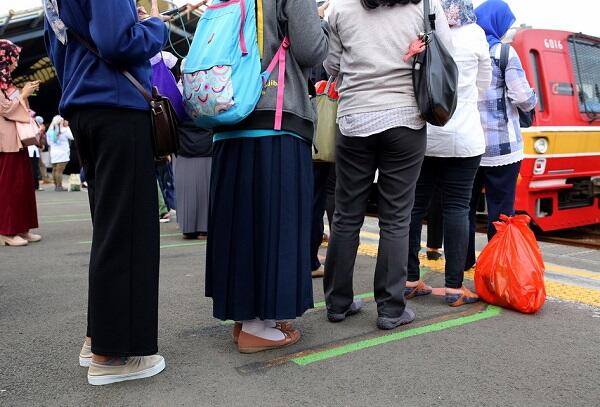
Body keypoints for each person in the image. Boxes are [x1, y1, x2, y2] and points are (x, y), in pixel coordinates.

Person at [44, 0, 169, 385]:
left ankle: (98, 336)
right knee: (129, 233)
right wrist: (157, 28)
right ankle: (112, 355)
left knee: (111, 230)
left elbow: (59, 51)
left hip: (86, 111)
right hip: (116, 108)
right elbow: (117, 41)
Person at [205, 0, 329, 353]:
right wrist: (325, 27)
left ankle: (247, 318)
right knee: (277, 222)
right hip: (274, 115)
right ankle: (259, 325)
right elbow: (309, 48)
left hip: (228, 114)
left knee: (241, 223)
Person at [323, 0, 452, 330]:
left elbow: (332, 67)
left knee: (346, 213)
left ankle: (338, 303)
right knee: (396, 217)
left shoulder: (339, 8)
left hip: (354, 119)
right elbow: (446, 52)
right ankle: (391, 309)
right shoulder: (425, 5)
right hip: (404, 119)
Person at [406, 0, 492, 307]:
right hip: (464, 135)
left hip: (424, 134)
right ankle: (455, 288)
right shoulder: (476, 35)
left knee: (414, 206)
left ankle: (410, 280)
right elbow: (484, 83)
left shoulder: (423, 32)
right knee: (457, 207)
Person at [465, 0, 537, 270]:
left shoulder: (467, 49)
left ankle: (462, 263)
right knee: (501, 210)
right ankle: (497, 267)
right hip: (503, 148)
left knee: (465, 208)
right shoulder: (504, 53)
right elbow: (522, 97)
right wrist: (533, 99)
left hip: (470, 143)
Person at [0, 39, 42, 247]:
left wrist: (25, 94)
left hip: (16, 140)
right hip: (5, 141)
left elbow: (14, 107)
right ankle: (6, 231)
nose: (16, 63)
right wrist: (23, 95)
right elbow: (6, 110)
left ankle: (22, 227)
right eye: (13, 58)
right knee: (8, 186)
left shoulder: (7, 83)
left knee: (22, 185)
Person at [174, 122, 212, 240]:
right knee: (206, 190)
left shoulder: (177, 103)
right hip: (208, 144)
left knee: (186, 192)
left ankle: (188, 227)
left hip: (183, 145)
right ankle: (205, 227)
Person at [46, 115, 73, 191]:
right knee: (59, 170)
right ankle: (59, 186)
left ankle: (56, 185)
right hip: (63, 153)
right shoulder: (64, 130)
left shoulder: (49, 131)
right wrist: (67, 127)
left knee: (54, 169)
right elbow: (72, 137)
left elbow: (48, 142)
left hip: (53, 152)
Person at [28, 116, 45, 191]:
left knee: (34, 169)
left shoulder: (33, 129)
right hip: (31, 151)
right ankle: (35, 186)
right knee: (33, 169)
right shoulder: (33, 129)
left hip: (33, 151)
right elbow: (36, 140)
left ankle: (35, 185)